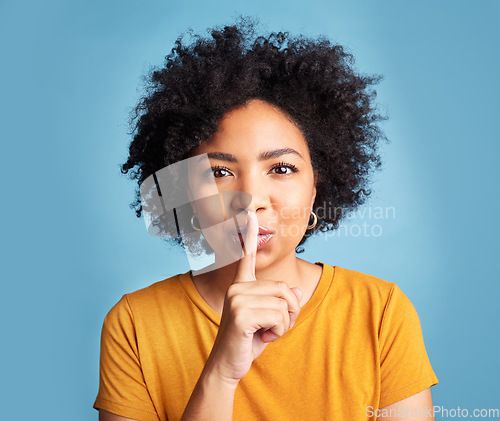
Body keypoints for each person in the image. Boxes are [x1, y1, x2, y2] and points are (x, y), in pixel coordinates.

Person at [93, 17, 439, 421]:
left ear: (316, 188)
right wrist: (221, 373)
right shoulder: (135, 324)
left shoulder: (380, 312)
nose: (251, 201)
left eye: (282, 168)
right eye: (219, 173)